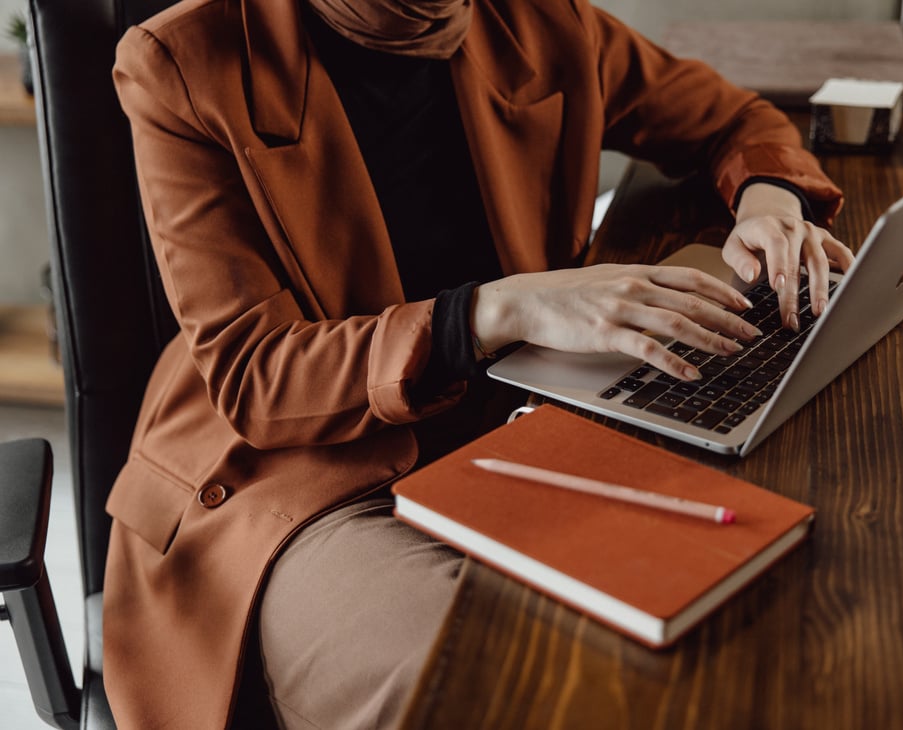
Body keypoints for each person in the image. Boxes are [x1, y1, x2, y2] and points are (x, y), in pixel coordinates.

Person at [105, 0, 853, 727]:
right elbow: (256, 377)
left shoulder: (537, 20)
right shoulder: (184, 59)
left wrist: (768, 205)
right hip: (301, 472)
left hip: (517, 424)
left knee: (743, 611)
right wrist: (500, 310)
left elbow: (732, 119)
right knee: (491, 671)